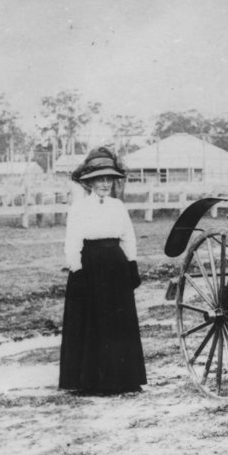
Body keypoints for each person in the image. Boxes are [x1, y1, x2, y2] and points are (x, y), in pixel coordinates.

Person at [60, 147, 146, 395]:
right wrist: (77, 271)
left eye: (109, 179)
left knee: (119, 321)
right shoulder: (79, 208)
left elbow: (128, 236)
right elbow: (72, 241)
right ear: (90, 183)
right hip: (90, 265)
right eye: (100, 179)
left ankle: (125, 378)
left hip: (116, 264)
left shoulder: (118, 206)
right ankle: (92, 381)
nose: (105, 184)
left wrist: (131, 264)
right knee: (92, 321)